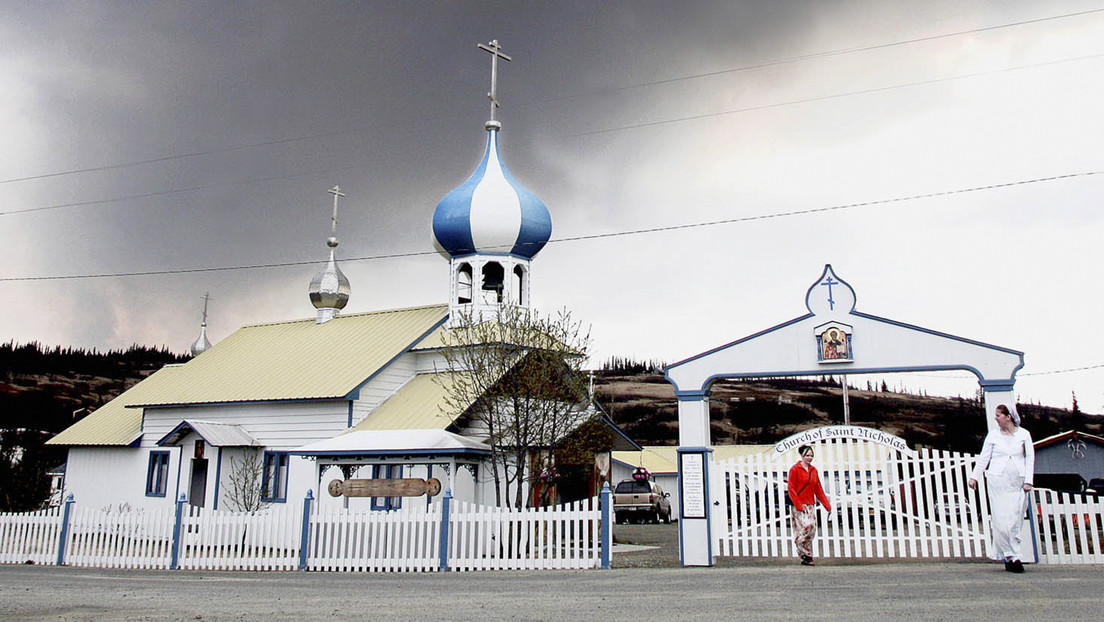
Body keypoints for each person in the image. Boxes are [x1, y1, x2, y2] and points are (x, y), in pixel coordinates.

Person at [968, 404, 1035, 573]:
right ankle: (1011, 556)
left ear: (1008, 417)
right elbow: (984, 457)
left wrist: (1028, 480)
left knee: (1014, 520)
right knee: (1001, 521)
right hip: (998, 482)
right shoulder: (993, 435)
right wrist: (975, 476)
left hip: (1017, 483)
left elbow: (1030, 458)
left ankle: (1012, 555)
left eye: (998, 415)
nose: (996, 418)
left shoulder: (1024, 434)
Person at [788, 444, 832, 566]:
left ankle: (805, 555)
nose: (809, 458)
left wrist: (827, 505)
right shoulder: (795, 469)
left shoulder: (814, 470)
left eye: (811, 455)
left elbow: (818, 489)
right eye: (807, 455)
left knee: (812, 529)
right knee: (806, 527)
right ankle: (802, 549)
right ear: (802, 456)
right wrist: (798, 506)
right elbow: (791, 488)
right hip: (799, 505)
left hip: (810, 504)